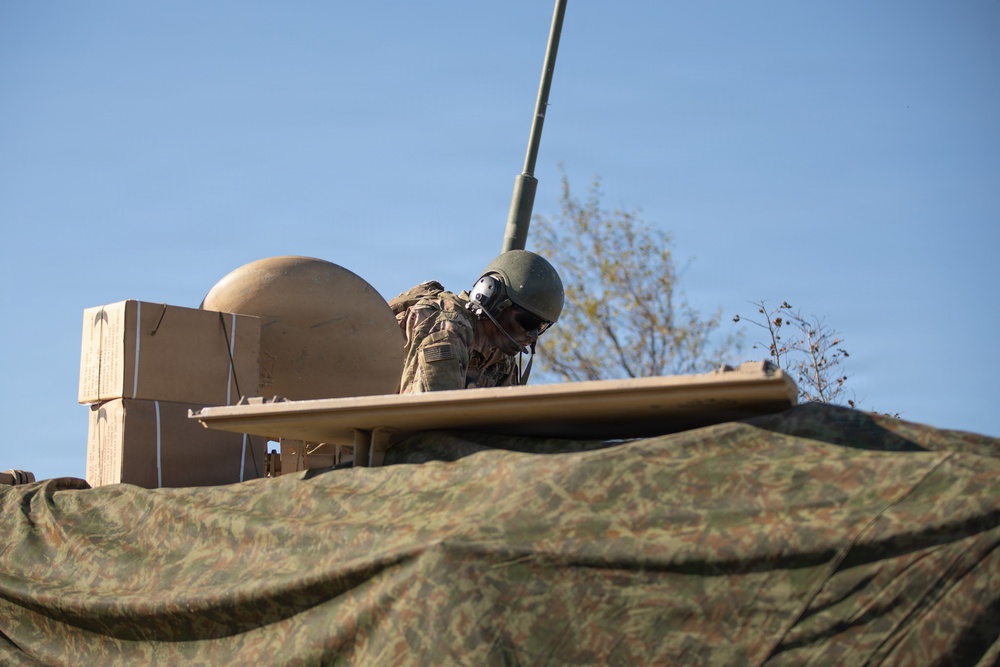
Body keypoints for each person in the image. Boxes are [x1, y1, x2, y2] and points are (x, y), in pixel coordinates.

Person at [389, 250, 564, 394]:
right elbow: (429, 415)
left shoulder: (500, 358)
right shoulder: (448, 327)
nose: (533, 335)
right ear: (491, 298)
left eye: (542, 326)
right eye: (529, 321)